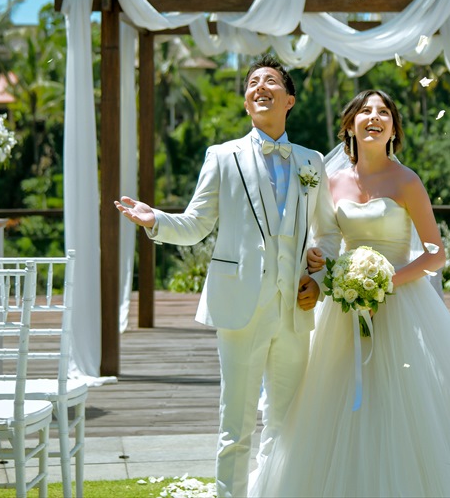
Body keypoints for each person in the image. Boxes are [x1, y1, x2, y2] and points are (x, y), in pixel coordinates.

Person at [251, 89, 450, 498]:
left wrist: (387, 281)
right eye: (366, 111)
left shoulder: (407, 181)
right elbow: (326, 241)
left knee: (403, 401)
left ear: (393, 129)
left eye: (384, 112)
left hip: (402, 303)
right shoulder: (331, 182)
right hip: (345, 307)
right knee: (334, 400)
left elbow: (435, 254)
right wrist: (324, 265)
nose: (375, 117)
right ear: (351, 125)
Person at [115, 54, 341, 498]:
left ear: (289, 99)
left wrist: (320, 275)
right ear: (245, 101)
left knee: (286, 423)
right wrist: (154, 219)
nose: (260, 87)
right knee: (235, 425)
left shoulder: (312, 162)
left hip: (295, 310)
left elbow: (329, 232)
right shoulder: (222, 156)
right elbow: (197, 224)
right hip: (241, 307)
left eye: (270, 81)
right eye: (253, 82)